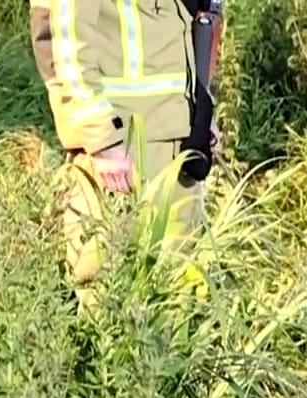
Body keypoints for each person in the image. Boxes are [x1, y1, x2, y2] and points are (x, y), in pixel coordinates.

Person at [29, 0, 223, 287]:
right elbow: (67, 43)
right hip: (120, 153)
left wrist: (200, 110)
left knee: (176, 291)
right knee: (107, 290)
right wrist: (102, 137)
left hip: (179, 145)